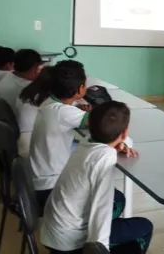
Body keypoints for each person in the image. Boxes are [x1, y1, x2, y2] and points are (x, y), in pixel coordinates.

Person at [41, 101, 151, 254]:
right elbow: (102, 209)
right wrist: (99, 248)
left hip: (53, 231)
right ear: (125, 133)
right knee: (144, 227)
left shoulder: (86, 141)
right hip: (69, 242)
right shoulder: (105, 158)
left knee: (118, 200)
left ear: (89, 124)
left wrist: (118, 145)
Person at [23, 60, 93, 209]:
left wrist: (77, 107)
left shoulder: (50, 101)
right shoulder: (64, 112)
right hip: (50, 188)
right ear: (80, 89)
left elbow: (70, 113)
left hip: (41, 180)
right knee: (113, 200)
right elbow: (103, 122)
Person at [0, 49, 44, 156]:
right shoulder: (26, 90)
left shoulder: (9, 77)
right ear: (35, 67)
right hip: (22, 135)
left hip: (7, 130)